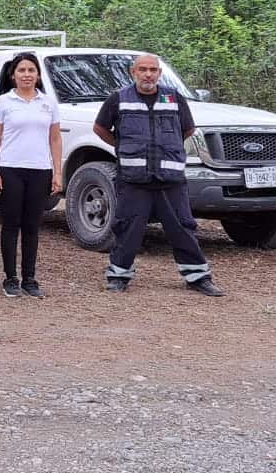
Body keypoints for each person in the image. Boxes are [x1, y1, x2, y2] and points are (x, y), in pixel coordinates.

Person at [95, 54, 225, 297]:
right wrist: (122, 147)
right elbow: (100, 128)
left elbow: (188, 129)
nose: (148, 74)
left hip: (170, 179)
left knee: (183, 227)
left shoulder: (174, 98)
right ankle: (118, 276)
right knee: (127, 227)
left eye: (153, 70)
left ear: (159, 73)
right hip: (134, 178)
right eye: (142, 69)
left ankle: (198, 277)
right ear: (133, 72)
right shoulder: (119, 99)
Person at [0, 52, 62, 299]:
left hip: (39, 169)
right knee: (11, 224)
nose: (27, 75)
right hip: (10, 168)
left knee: (32, 226)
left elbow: (54, 138)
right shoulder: (4, 102)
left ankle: (30, 278)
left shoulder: (48, 102)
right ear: (13, 75)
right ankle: (10, 278)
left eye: (31, 70)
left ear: (38, 75)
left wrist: (57, 172)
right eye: (21, 70)